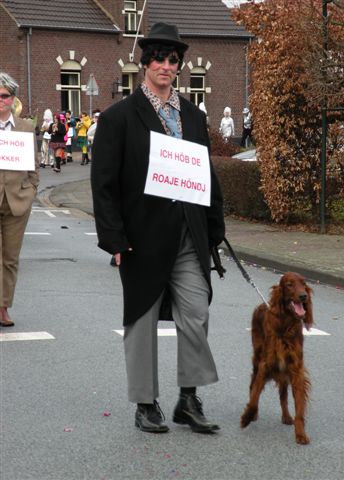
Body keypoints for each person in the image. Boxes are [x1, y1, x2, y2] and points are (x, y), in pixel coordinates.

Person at [91, 22, 225, 434]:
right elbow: (104, 183)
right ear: (145, 61)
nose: (166, 65)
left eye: (173, 60)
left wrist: (214, 226)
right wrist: (113, 238)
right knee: (142, 318)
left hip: (188, 232)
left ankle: (188, 397)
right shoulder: (118, 117)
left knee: (196, 311)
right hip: (141, 237)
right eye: (159, 58)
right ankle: (146, 403)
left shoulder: (193, 116)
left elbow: (205, 172)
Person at [0, 72, 39, 327]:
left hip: (16, 201)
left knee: (10, 258)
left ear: (12, 99)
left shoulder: (25, 128)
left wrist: (30, 192)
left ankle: (3, 307)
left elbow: (33, 169)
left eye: (3, 96)